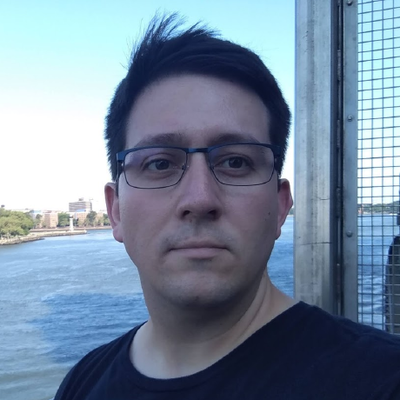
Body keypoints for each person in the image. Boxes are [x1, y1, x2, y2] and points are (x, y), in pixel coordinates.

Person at [54, 14, 400, 400]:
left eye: (235, 162)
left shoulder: (383, 380)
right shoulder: (82, 384)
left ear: (280, 205)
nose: (200, 199)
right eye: (160, 163)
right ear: (116, 210)